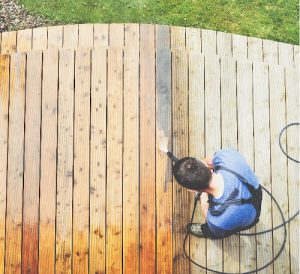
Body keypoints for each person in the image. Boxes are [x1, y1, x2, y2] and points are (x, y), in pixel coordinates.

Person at [172, 148, 262, 239]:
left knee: (214, 231)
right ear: (202, 164)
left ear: (192, 190)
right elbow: (209, 160)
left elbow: (208, 217)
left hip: (245, 221)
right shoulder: (228, 157)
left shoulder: (216, 220)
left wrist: (203, 194)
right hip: (255, 195)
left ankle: (205, 231)